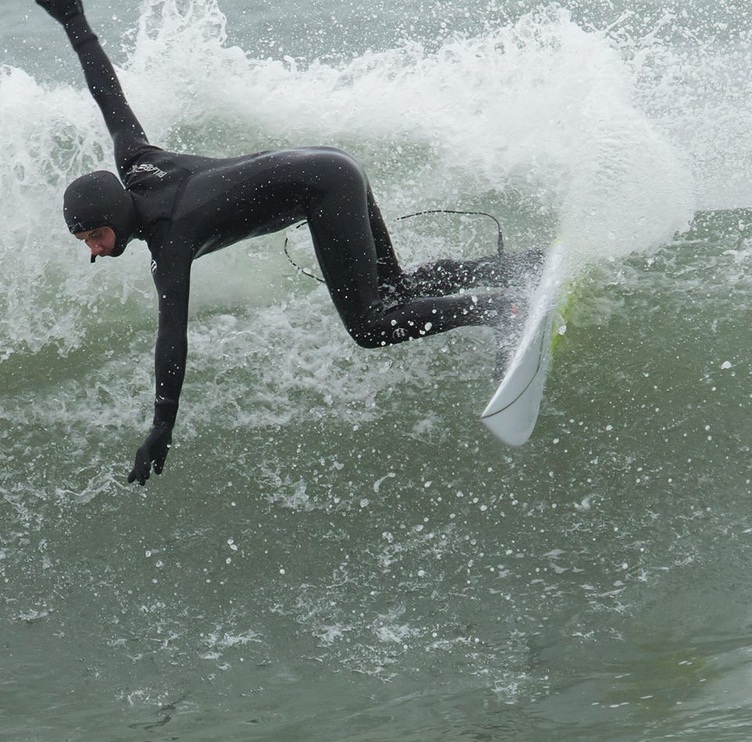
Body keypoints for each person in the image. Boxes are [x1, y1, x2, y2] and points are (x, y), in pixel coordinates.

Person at [34, 0, 535, 485]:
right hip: (332, 164)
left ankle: (501, 309)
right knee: (396, 290)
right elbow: (108, 95)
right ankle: (508, 270)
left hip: (324, 186)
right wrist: (73, 17)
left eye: (96, 236)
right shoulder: (137, 162)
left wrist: (161, 425)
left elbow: (172, 336)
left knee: (370, 326)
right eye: (86, 242)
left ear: (116, 216)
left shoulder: (170, 241)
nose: (95, 249)